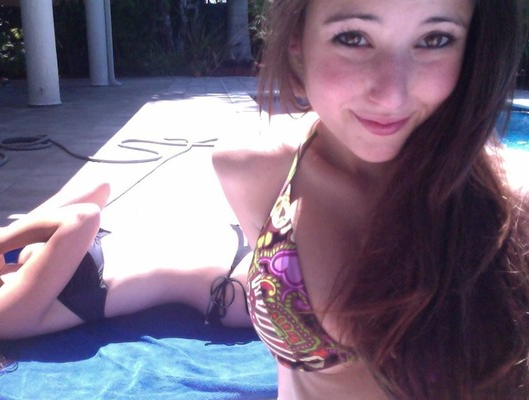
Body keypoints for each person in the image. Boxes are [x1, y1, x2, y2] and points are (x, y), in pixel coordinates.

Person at [212, 0, 529, 399]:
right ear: (296, 39)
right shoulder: (252, 170)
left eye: (435, 39)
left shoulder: (511, 208)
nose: (392, 96)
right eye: (353, 37)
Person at [0, 181, 253, 395]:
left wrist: (5, 234)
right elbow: (84, 217)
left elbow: (97, 190)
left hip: (243, 237)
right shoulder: (0, 316)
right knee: (240, 157)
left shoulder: (25, 253)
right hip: (236, 283)